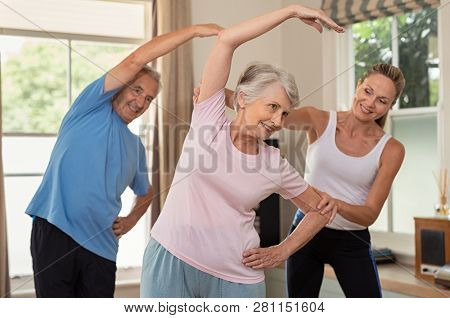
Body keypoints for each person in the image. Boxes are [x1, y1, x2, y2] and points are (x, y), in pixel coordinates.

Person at [140, 4, 344, 298]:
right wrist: (290, 11)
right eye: (273, 107)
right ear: (244, 99)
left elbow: (321, 210)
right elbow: (226, 40)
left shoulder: (274, 164)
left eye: (285, 114)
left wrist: (282, 251)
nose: (278, 121)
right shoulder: (209, 120)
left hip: (236, 277)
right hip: (171, 259)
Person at [25, 23, 222, 298]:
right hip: (56, 232)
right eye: (137, 90)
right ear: (121, 87)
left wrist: (129, 221)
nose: (141, 101)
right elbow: (136, 59)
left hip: (102, 249)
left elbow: (147, 193)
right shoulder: (89, 109)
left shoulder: (135, 147)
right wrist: (194, 31)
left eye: (149, 98)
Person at [243, 63, 406, 298]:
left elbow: (370, 213)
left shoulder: (391, 149)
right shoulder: (318, 119)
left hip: (351, 240)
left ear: (391, 105)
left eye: (382, 100)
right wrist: (216, 94)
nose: (370, 103)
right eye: (368, 91)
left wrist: (335, 204)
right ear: (359, 86)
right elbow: (268, 111)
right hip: (305, 232)